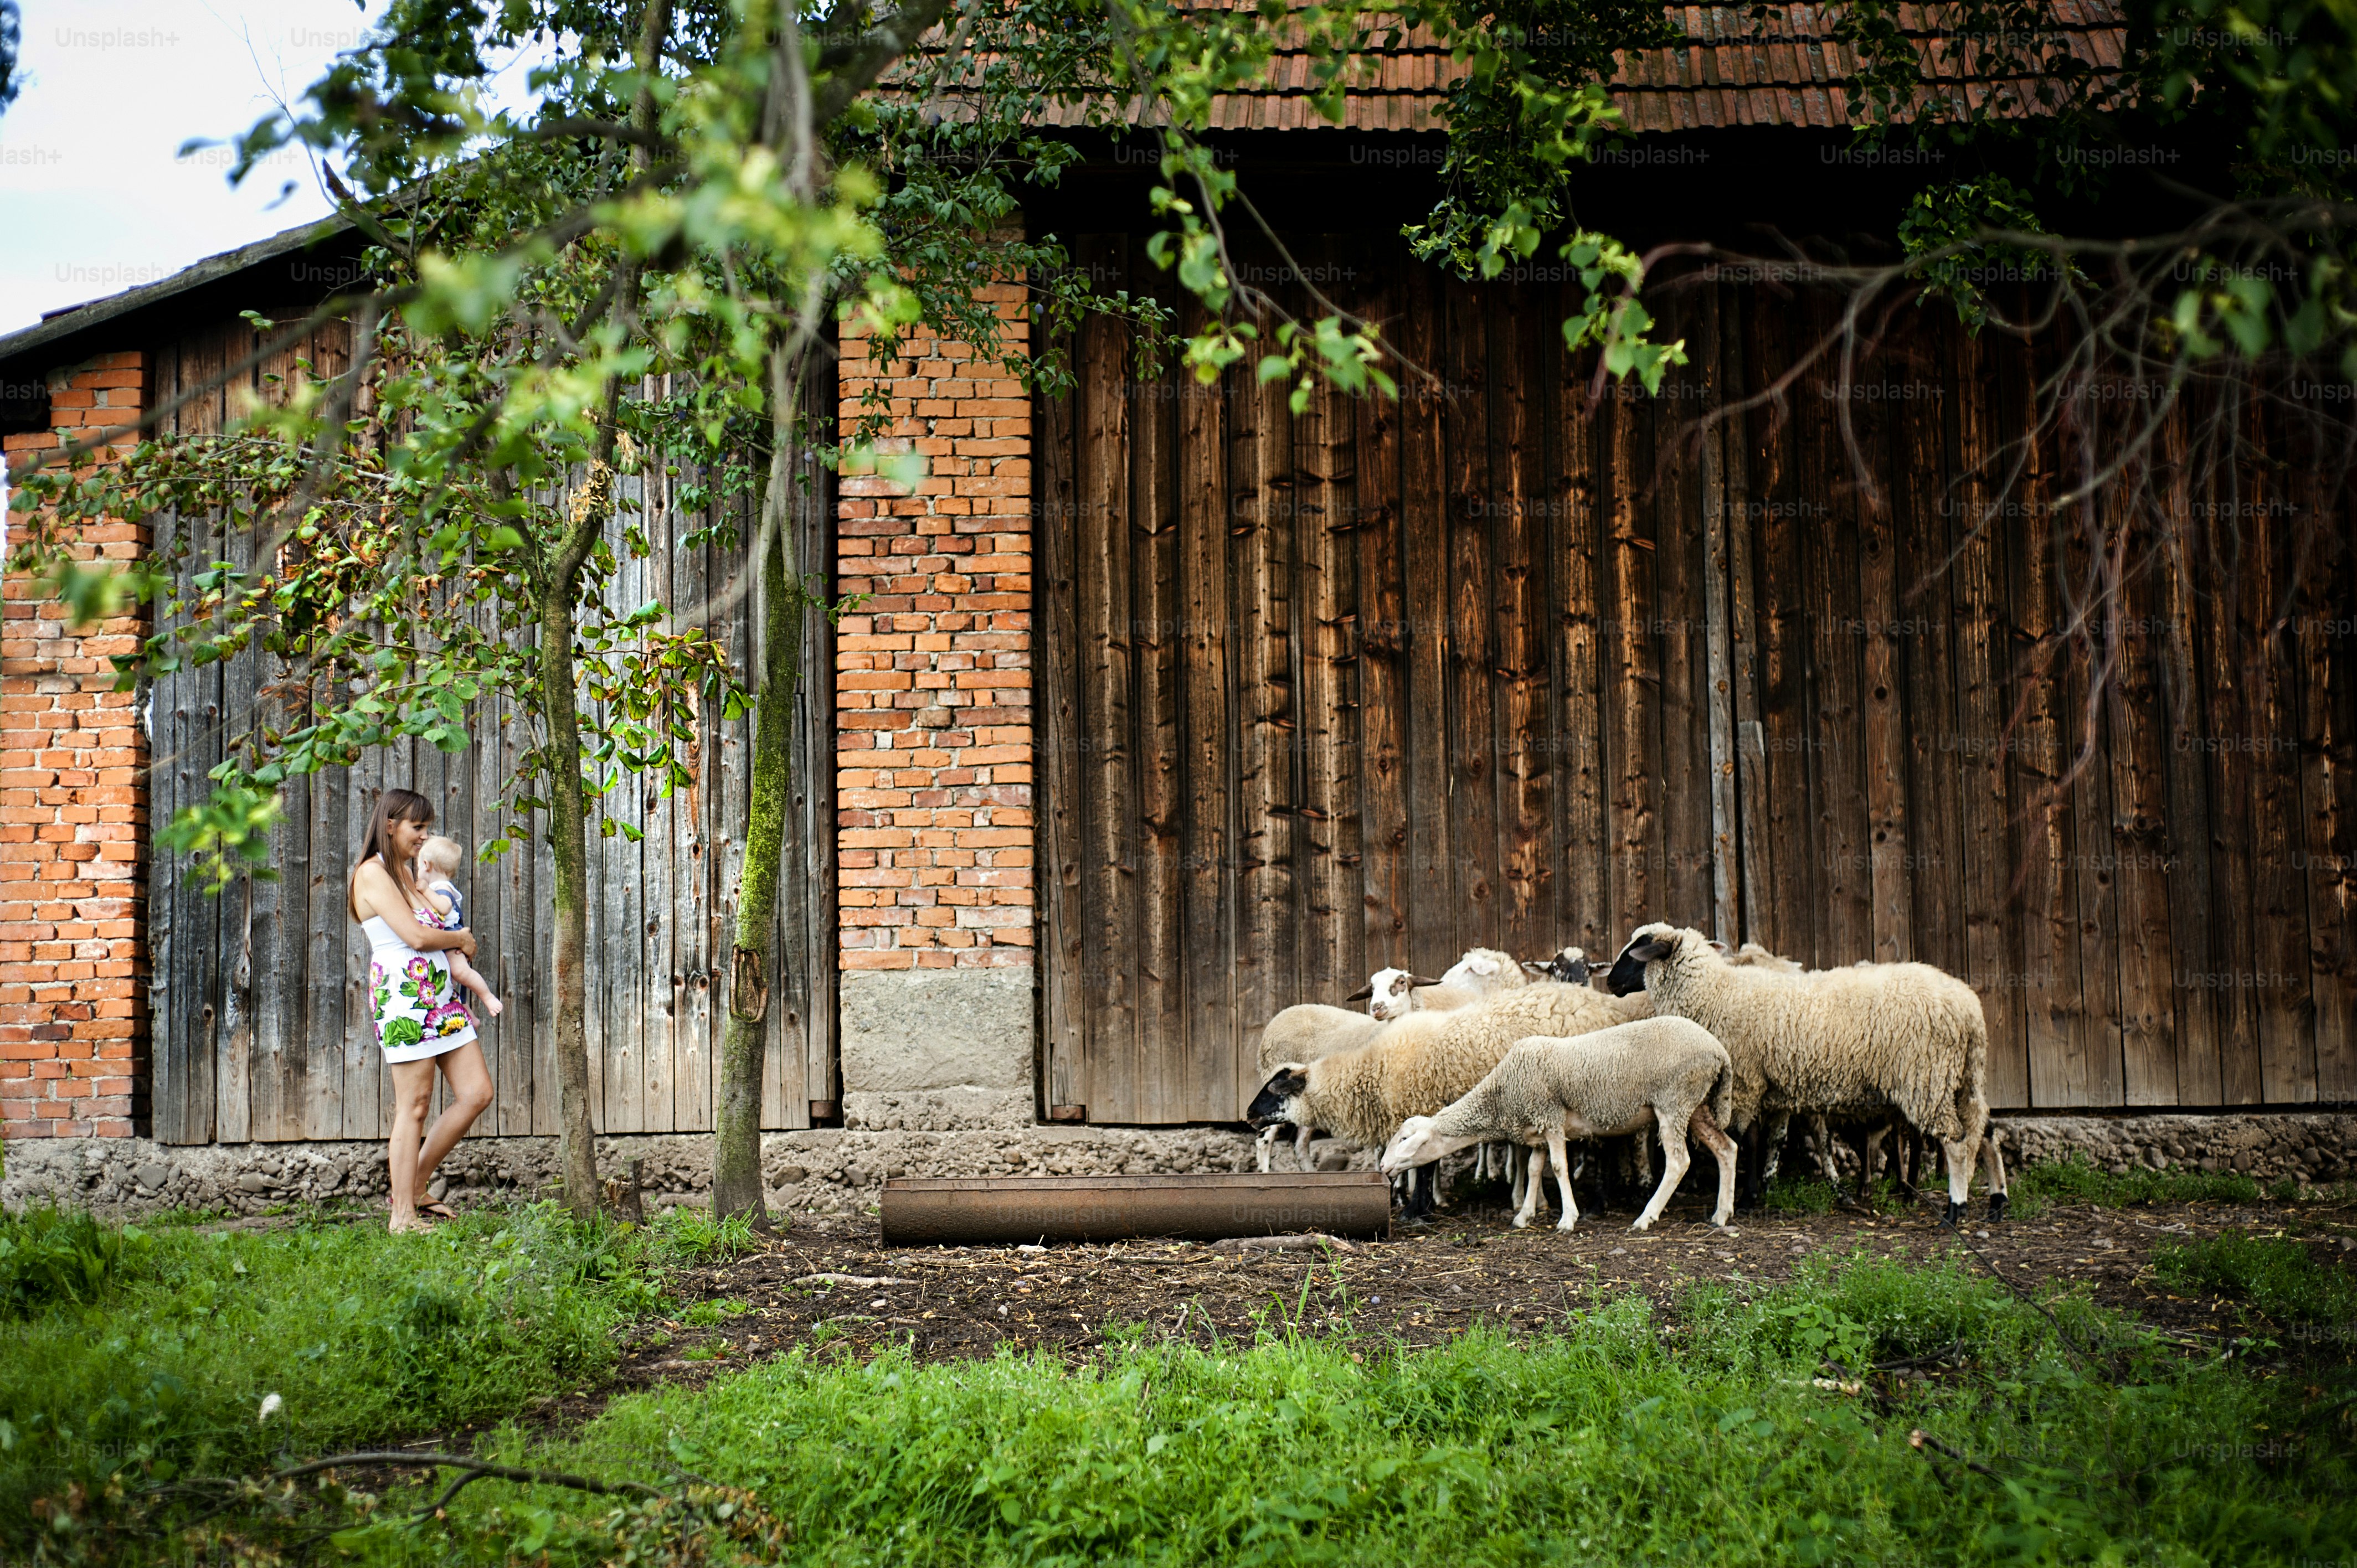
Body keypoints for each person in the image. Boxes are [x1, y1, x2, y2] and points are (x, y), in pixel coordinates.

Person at [349, 788, 493, 1232]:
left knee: (476, 1093)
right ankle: (402, 1217)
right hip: (404, 997)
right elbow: (414, 937)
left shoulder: (405, 873)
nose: (424, 837)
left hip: (439, 997)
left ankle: (413, 1185)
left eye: (427, 829)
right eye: (418, 828)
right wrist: (461, 941)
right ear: (390, 825)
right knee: (414, 1106)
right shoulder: (372, 874)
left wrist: (453, 937)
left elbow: (436, 918)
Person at [415, 834, 503, 1019]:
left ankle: (487, 997)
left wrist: (425, 890)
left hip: (451, 939)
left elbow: (445, 907)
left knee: (462, 972)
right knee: (451, 983)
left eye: (418, 867)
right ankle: (471, 1016)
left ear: (426, 865)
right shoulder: (439, 885)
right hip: (445, 941)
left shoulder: (442, 887)